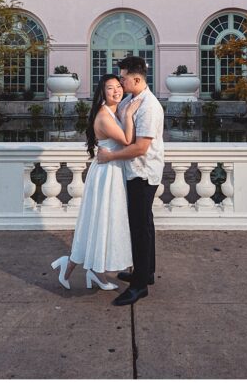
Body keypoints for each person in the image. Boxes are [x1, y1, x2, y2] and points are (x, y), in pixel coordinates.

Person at [50, 74, 142, 291]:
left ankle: (93, 271)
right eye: (110, 88)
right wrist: (130, 114)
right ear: (102, 92)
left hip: (112, 169)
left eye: (119, 86)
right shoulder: (104, 116)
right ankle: (73, 265)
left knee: (104, 222)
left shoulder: (113, 111)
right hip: (106, 173)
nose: (116, 91)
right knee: (99, 221)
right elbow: (128, 140)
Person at [96, 55, 164, 306]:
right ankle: (146, 272)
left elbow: (140, 148)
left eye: (123, 78)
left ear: (136, 79)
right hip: (132, 171)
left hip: (142, 173)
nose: (120, 81)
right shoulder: (130, 100)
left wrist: (110, 156)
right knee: (144, 223)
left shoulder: (149, 107)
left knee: (139, 227)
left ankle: (139, 286)